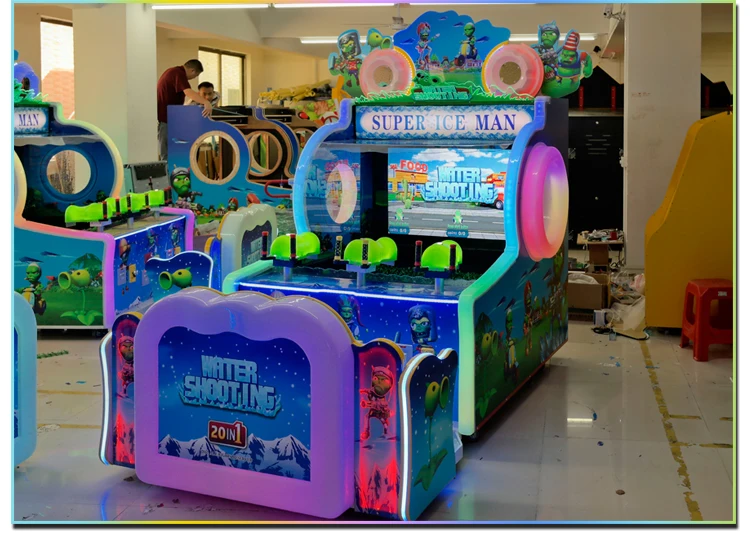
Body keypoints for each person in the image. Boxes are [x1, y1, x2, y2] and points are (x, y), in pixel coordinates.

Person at [156, 59, 212, 161]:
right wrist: (206, 102)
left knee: (172, 152)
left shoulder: (173, 72)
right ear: (192, 71)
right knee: (167, 154)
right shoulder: (178, 73)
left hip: (171, 118)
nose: (194, 78)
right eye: (196, 75)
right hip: (166, 118)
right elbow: (188, 92)